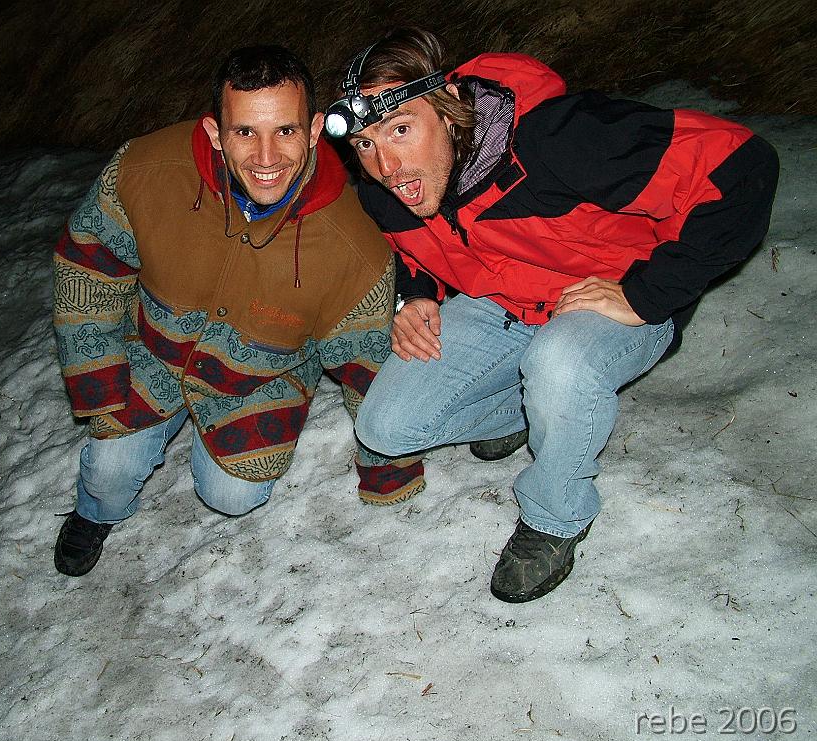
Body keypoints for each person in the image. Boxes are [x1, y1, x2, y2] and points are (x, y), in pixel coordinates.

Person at [327, 27, 778, 602]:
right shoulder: (388, 189)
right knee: (386, 427)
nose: (386, 165)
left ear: (448, 106)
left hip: (609, 299)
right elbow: (412, 248)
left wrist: (647, 292)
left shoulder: (559, 139)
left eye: (400, 129)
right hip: (504, 302)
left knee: (560, 364)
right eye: (364, 144)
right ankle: (528, 411)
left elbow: (742, 166)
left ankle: (555, 515)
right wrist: (414, 295)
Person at [51, 45, 425, 576]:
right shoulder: (144, 169)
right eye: (245, 131)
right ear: (214, 132)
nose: (267, 157)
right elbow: (87, 265)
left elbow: (367, 363)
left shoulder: (353, 245)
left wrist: (387, 471)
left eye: (286, 131)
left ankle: (270, 399)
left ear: (314, 130)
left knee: (231, 495)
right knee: (109, 473)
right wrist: (98, 376)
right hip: (151, 349)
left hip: (260, 377)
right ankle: (93, 514)